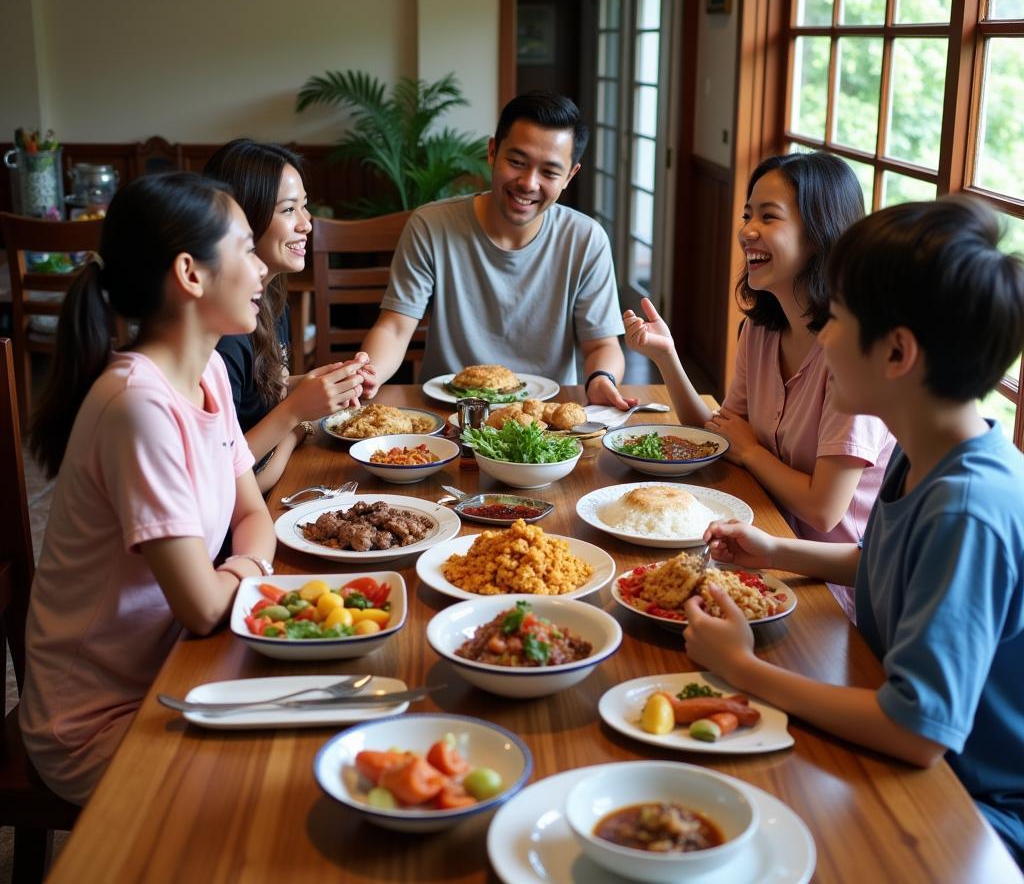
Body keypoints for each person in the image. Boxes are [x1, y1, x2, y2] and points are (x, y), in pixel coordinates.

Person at [683, 197, 1024, 866]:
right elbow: (893, 562)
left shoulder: (970, 507)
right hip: (906, 757)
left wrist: (743, 668)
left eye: (834, 318)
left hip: (970, 808)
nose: (821, 334)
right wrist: (780, 550)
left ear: (897, 352)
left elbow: (916, 729)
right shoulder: (927, 443)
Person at [20, 172, 278, 805]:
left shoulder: (210, 368)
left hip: (179, 664)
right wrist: (249, 571)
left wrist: (239, 570)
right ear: (191, 273)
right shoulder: (139, 405)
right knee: (276, 791)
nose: (263, 269)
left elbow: (254, 513)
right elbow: (201, 605)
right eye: (247, 248)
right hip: (98, 721)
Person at [624, 152, 893, 617]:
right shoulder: (763, 330)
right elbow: (718, 434)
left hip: (830, 588)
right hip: (763, 543)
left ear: (820, 232)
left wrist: (750, 451)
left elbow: (825, 510)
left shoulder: (853, 352)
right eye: (748, 214)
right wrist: (667, 357)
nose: (747, 230)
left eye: (769, 216)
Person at [360, 91, 638, 410]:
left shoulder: (586, 239)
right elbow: (395, 328)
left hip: (543, 420)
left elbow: (601, 344)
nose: (528, 183)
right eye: (517, 162)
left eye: (549, 172)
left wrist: (601, 379)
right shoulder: (431, 225)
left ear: (570, 176)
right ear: (492, 152)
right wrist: (370, 374)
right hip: (448, 414)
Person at [204, 140, 371, 492]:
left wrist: (323, 384)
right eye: (289, 210)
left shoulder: (270, 295)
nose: (307, 224)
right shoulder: (221, 334)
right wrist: (297, 418)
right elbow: (222, 474)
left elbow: (263, 391)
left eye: (305, 207)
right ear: (243, 221)